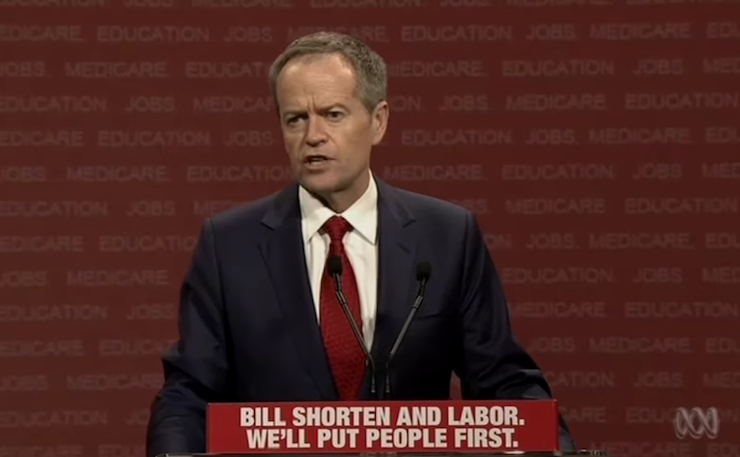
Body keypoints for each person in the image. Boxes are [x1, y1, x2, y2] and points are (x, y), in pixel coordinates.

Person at [145, 31, 576, 457]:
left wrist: (550, 446)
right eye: (296, 118)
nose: (312, 135)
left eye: (332, 114)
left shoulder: (446, 236)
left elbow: (503, 380)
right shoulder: (230, 246)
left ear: (378, 121)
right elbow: (189, 393)